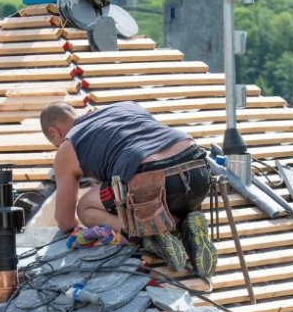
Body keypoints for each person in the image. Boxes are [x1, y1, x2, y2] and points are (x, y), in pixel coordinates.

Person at [39, 101, 217, 277]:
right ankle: (185, 224)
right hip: (198, 170)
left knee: (85, 208)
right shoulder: (126, 106)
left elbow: (65, 222)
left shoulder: (68, 145)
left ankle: (147, 236)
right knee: (157, 193)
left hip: (152, 179)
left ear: (54, 132)